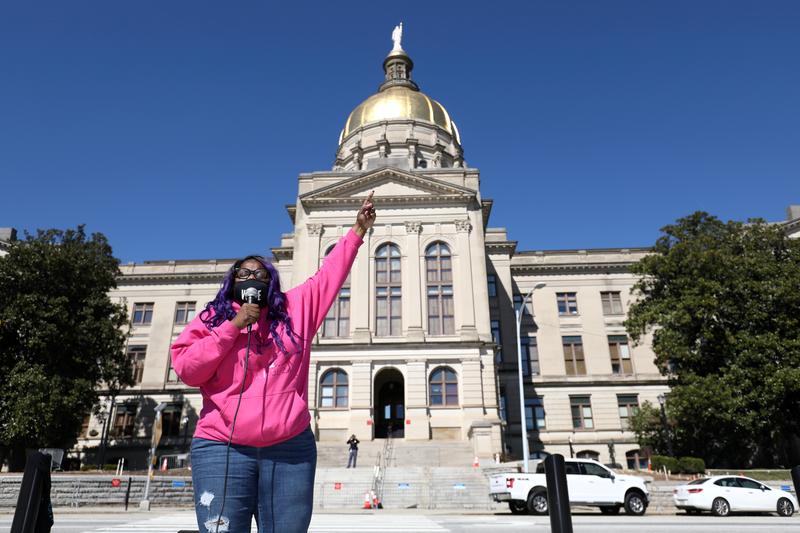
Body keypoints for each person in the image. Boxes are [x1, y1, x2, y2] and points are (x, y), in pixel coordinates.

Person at [171, 192, 376, 533]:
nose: (252, 278)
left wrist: (357, 230)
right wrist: (233, 328)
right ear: (231, 284)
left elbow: (329, 276)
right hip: (222, 446)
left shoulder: (295, 311)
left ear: (272, 283)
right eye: (243, 274)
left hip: (289, 449)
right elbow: (189, 370)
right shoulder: (210, 319)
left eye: (261, 274)